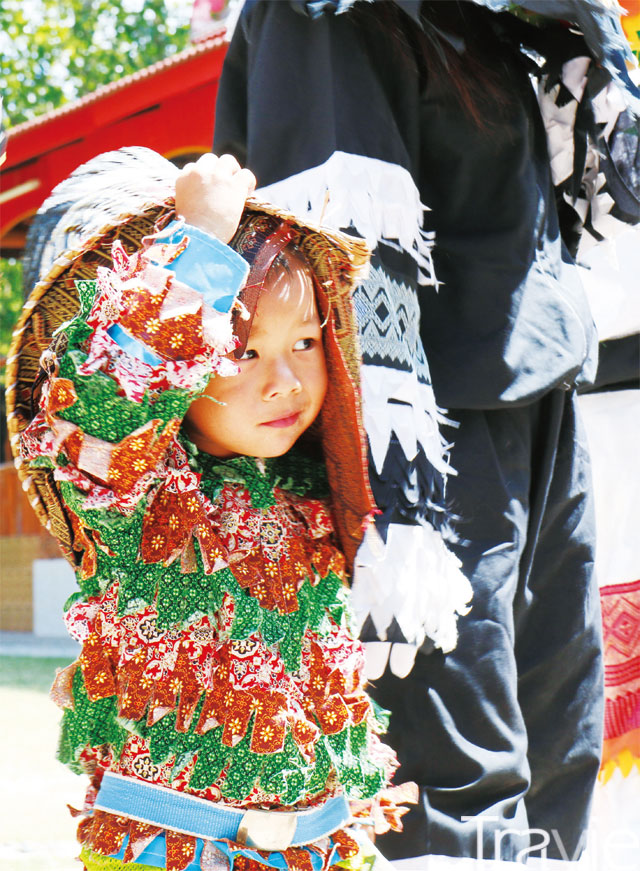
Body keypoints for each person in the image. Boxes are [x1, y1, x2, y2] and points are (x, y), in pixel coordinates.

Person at [211, 1, 640, 866]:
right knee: (455, 777)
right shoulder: (323, 17)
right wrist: (383, 505)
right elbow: (333, 253)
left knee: (562, 737)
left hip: (541, 389)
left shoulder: (503, 15)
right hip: (422, 442)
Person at [12, 148, 414, 871]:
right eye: (242, 350)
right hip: (174, 845)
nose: (284, 380)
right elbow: (107, 401)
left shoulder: (311, 499)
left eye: (303, 343)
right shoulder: (136, 493)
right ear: (185, 361)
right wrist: (196, 245)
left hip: (323, 844)